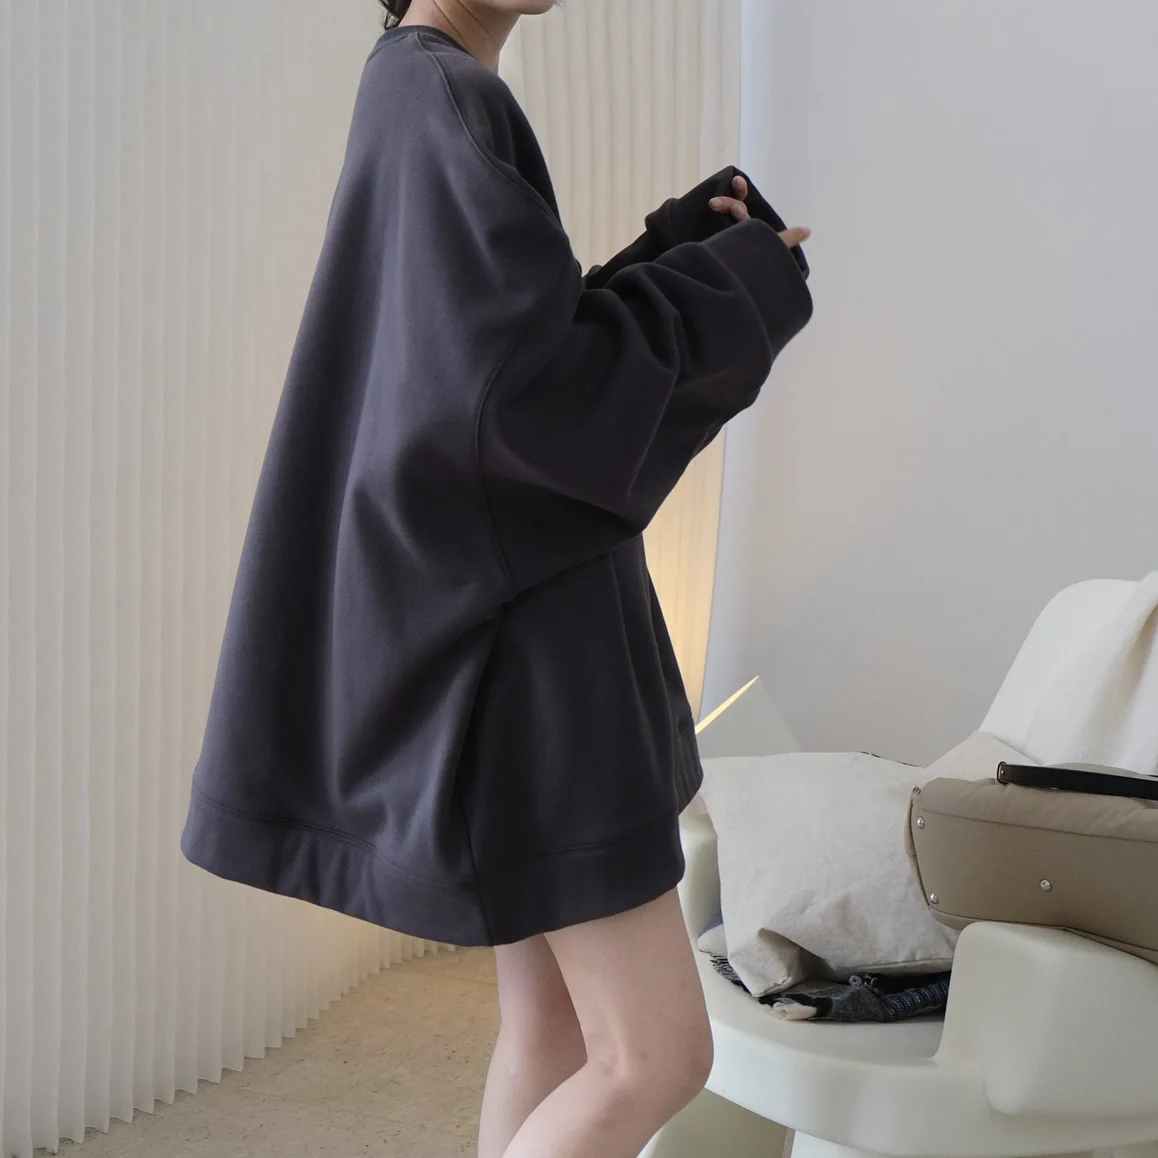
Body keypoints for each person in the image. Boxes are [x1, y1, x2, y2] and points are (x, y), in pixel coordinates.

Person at [181, 0, 812, 1154]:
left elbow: (495, 361)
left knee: (558, 1029)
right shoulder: (448, 99)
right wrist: (737, 287)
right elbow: (525, 410)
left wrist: (677, 255)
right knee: (656, 1054)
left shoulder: (413, 88)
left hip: (509, 634)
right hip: (536, 658)